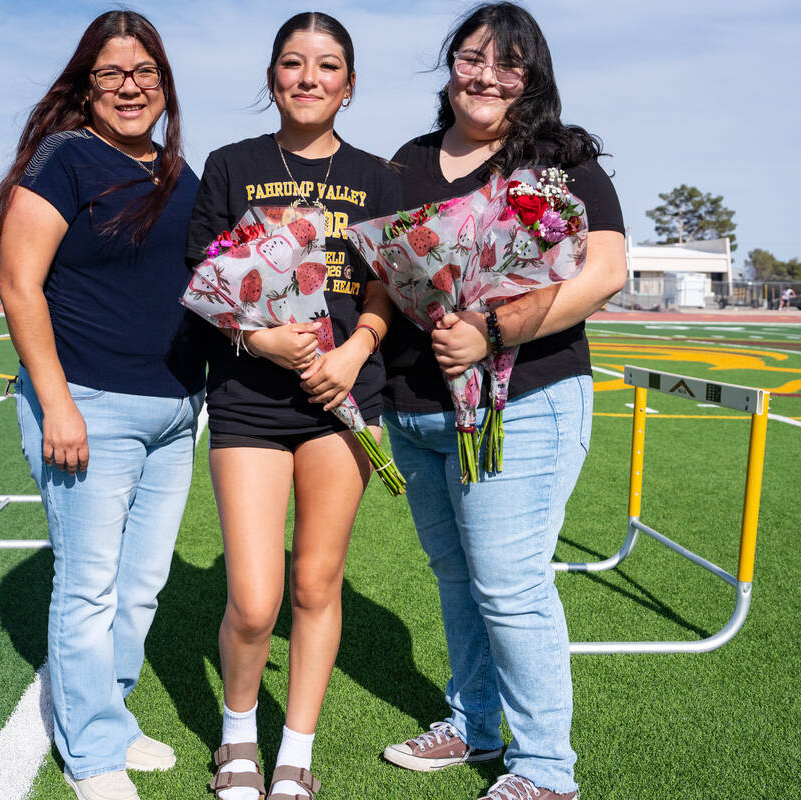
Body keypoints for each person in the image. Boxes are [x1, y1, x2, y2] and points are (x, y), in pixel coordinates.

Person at [377, 4, 626, 799]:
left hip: (525, 399)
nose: (486, 77)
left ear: (533, 76)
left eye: (508, 65)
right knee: (459, 578)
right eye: (471, 59)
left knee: (510, 585)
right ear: (449, 65)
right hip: (418, 409)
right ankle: (476, 724)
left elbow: (604, 271)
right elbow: (385, 275)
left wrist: (491, 327)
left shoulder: (560, 162)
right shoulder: (408, 160)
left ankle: (547, 771)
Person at [0, 11, 204, 800]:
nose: (130, 88)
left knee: (140, 585)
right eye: (111, 74)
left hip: (177, 411)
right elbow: (20, 284)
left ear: (165, 84)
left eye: (145, 72)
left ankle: (109, 714)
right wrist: (56, 403)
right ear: (86, 84)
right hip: (87, 404)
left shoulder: (183, 174)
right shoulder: (66, 158)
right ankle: (92, 757)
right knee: (89, 586)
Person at [185, 12, 400, 800]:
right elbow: (204, 277)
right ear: (271, 76)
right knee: (253, 597)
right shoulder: (230, 165)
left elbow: (389, 283)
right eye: (293, 63)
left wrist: (355, 348)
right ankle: (237, 735)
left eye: (327, 65)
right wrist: (260, 337)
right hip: (248, 398)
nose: (309, 78)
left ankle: (295, 752)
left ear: (349, 82)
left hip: (343, 401)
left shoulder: (380, 178)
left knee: (316, 584)